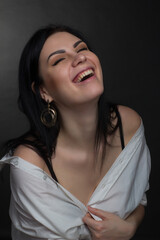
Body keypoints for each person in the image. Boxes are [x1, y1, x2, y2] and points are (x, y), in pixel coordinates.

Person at [0, 24, 151, 240]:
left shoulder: (128, 126)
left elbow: (138, 200)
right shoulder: (31, 164)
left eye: (82, 49)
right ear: (43, 91)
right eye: (59, 59)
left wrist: (129, 228)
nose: (80, 58)